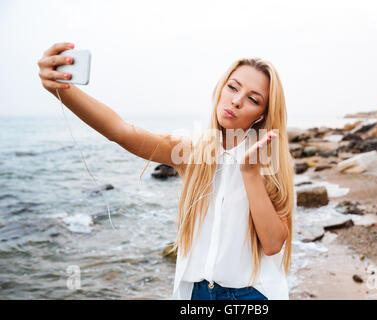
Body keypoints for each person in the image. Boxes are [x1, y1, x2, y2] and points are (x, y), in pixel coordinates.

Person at [37, 42, 295, 300]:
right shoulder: (192, 151)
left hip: (253, 295)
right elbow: (122, 131)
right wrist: (62, 90)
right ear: (221, 88)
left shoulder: (269, 163)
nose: (236, 101)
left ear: (261, 114)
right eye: (232, 87)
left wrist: (249, 173)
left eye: (253, 99)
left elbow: (273, 244)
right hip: (198, 293)